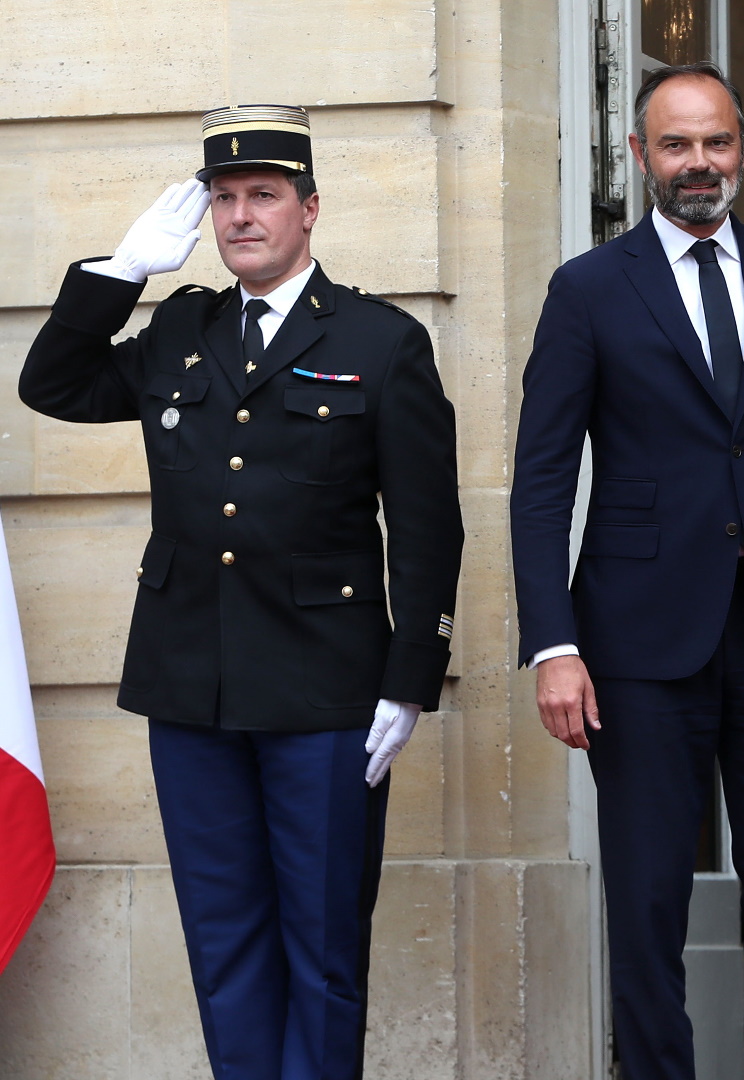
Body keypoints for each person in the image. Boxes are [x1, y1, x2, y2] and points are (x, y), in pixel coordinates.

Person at [18, 105, 463, 1079]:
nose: (241, 216)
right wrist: (119, 273)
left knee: (323, 948)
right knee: (224, 950)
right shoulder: (182, 328)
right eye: (224, 199)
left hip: (325, 695)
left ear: (310, 208)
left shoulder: (380, 341)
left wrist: (409, 678)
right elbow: (51, 385)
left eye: (263, 195)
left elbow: (428, 525)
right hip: (191, 688)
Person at [510, 62, 744, 1079]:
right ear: (639, 156)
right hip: (635, 644)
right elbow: (542, 482)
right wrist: (554, 644)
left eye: (715, 141)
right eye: (676, 144)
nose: (698, 162)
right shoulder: (588, 289)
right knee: (649, 898)